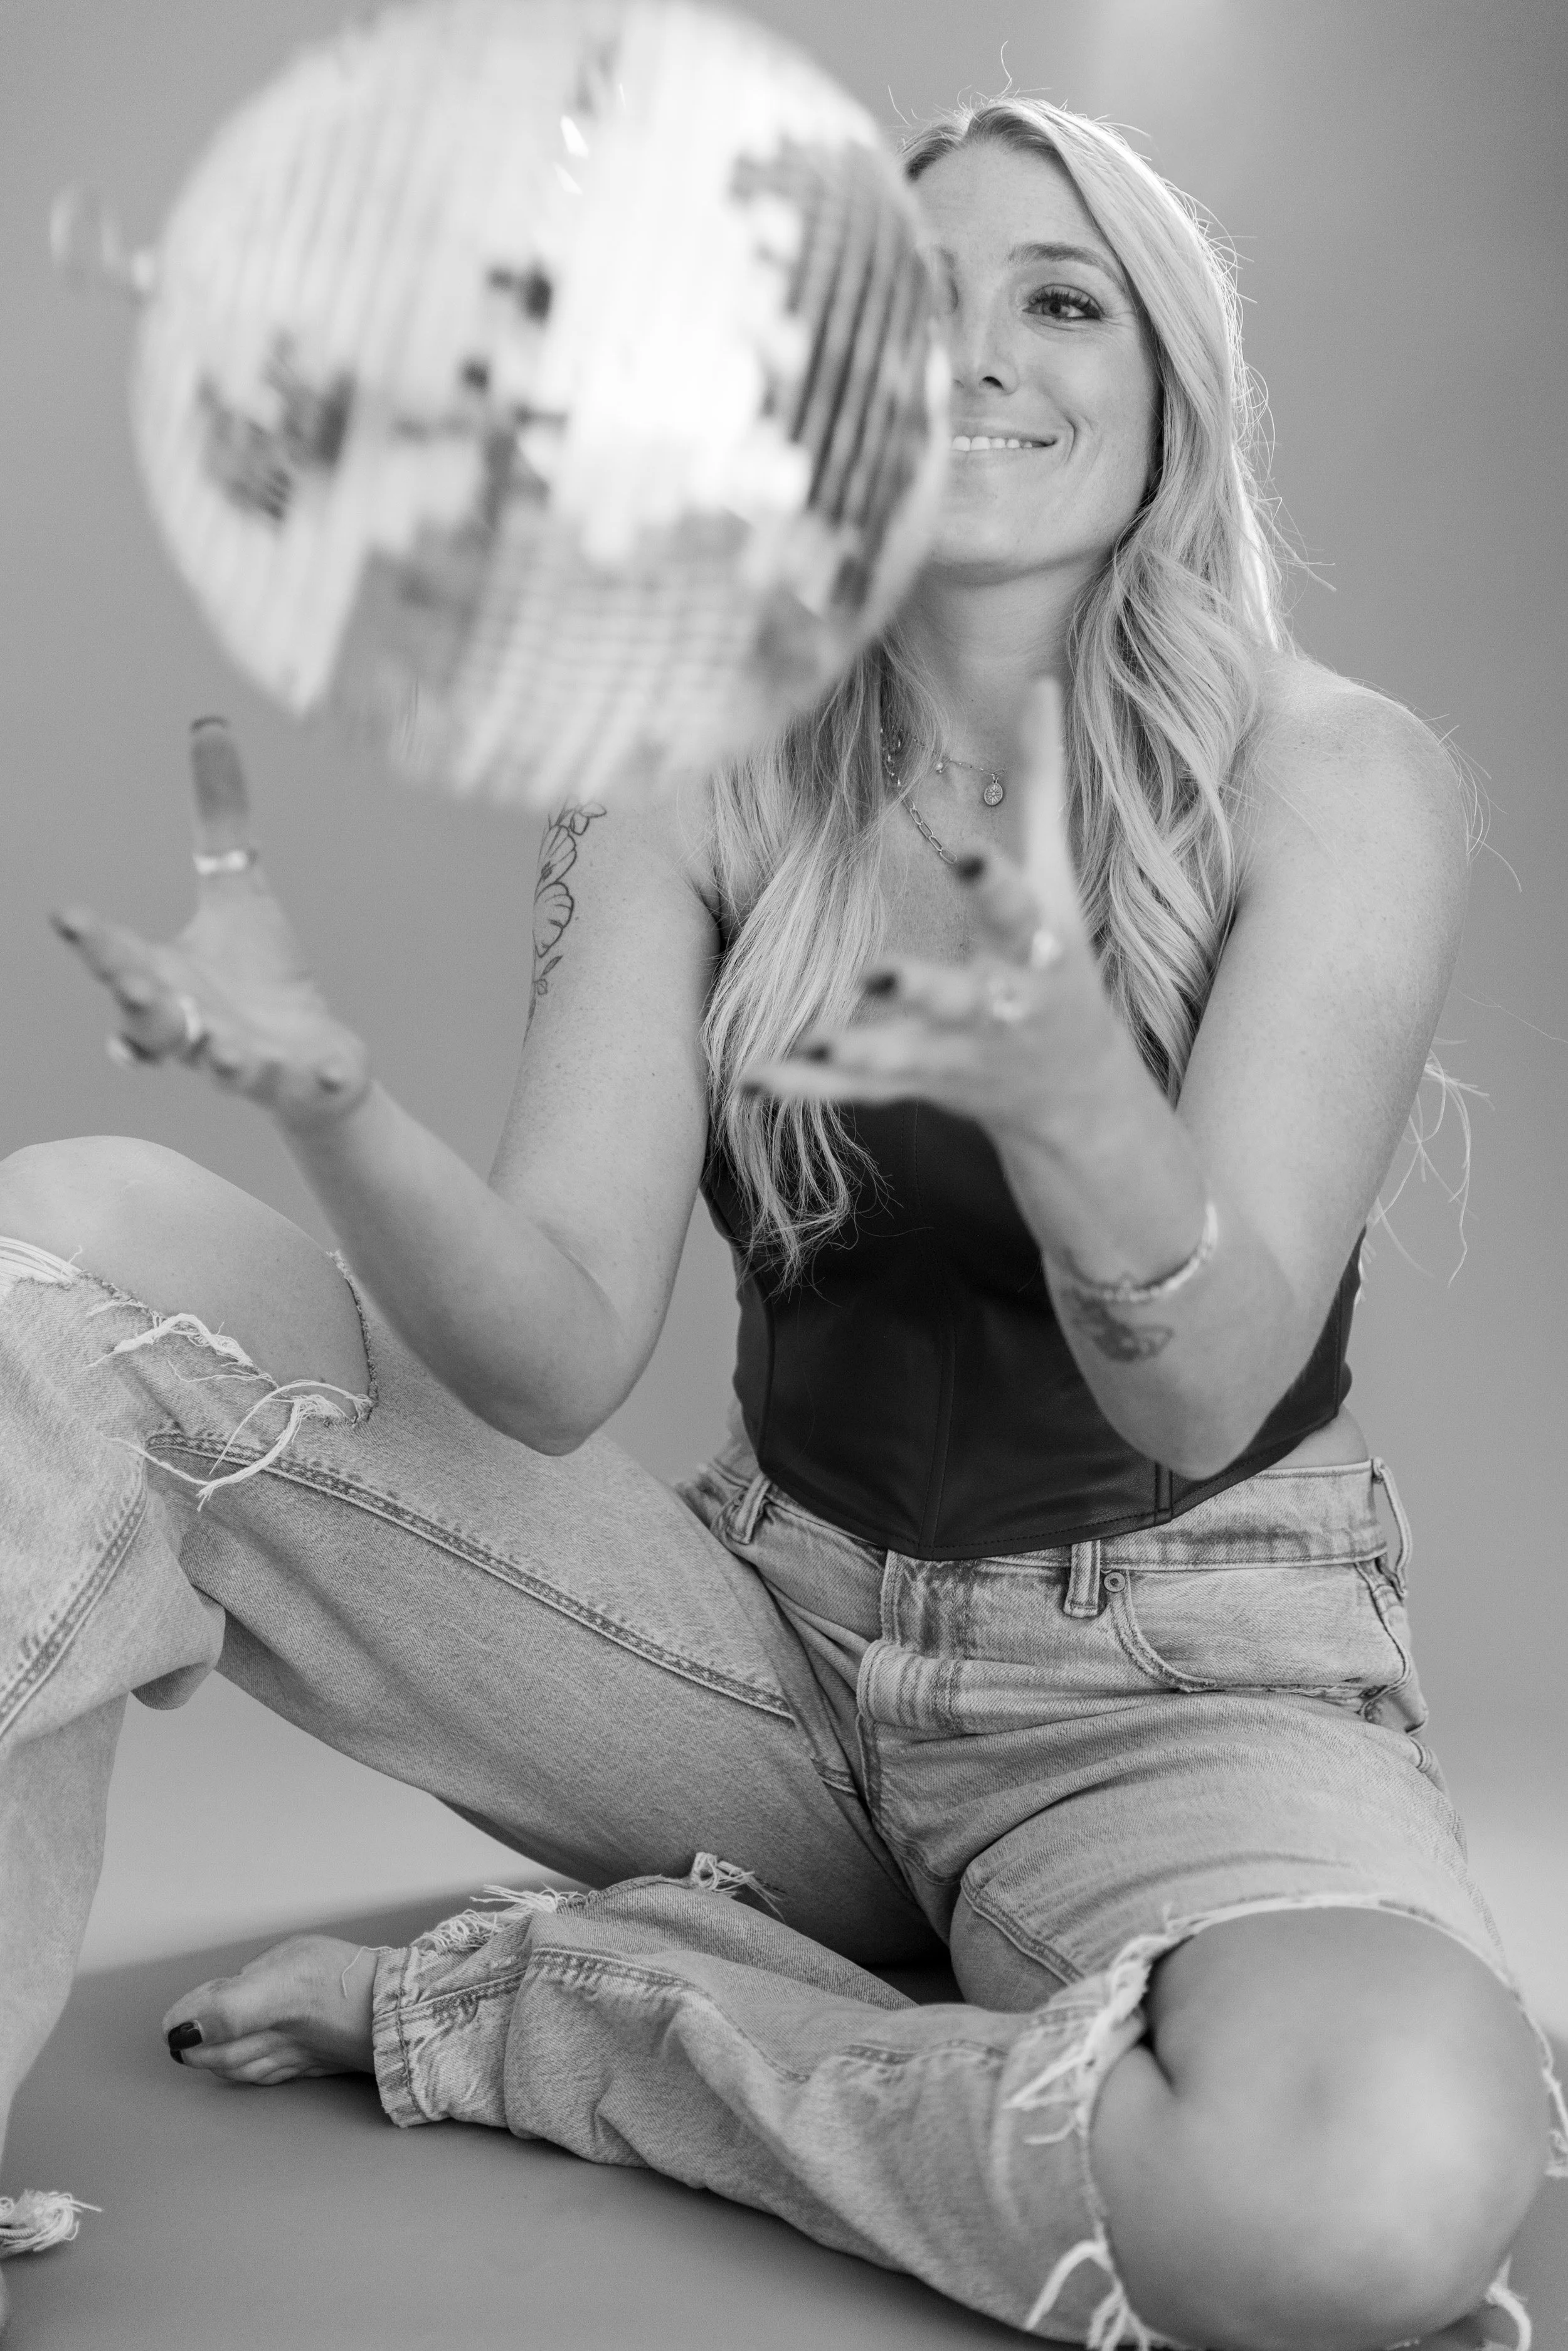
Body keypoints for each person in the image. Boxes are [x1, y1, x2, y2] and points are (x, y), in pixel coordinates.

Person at [1, 94, 1562, 2351]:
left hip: (1181, 1689)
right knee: (66, 1244)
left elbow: (1205, 1372)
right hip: (766, 1663)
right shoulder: (697, 767)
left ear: (1168, 384)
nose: (984, 359)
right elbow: (547, 1358)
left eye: (1061, 301)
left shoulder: (1332, 777)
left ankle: (579, 2017)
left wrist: (1058, 1084)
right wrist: (332, 1099)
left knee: (1364, 2192)